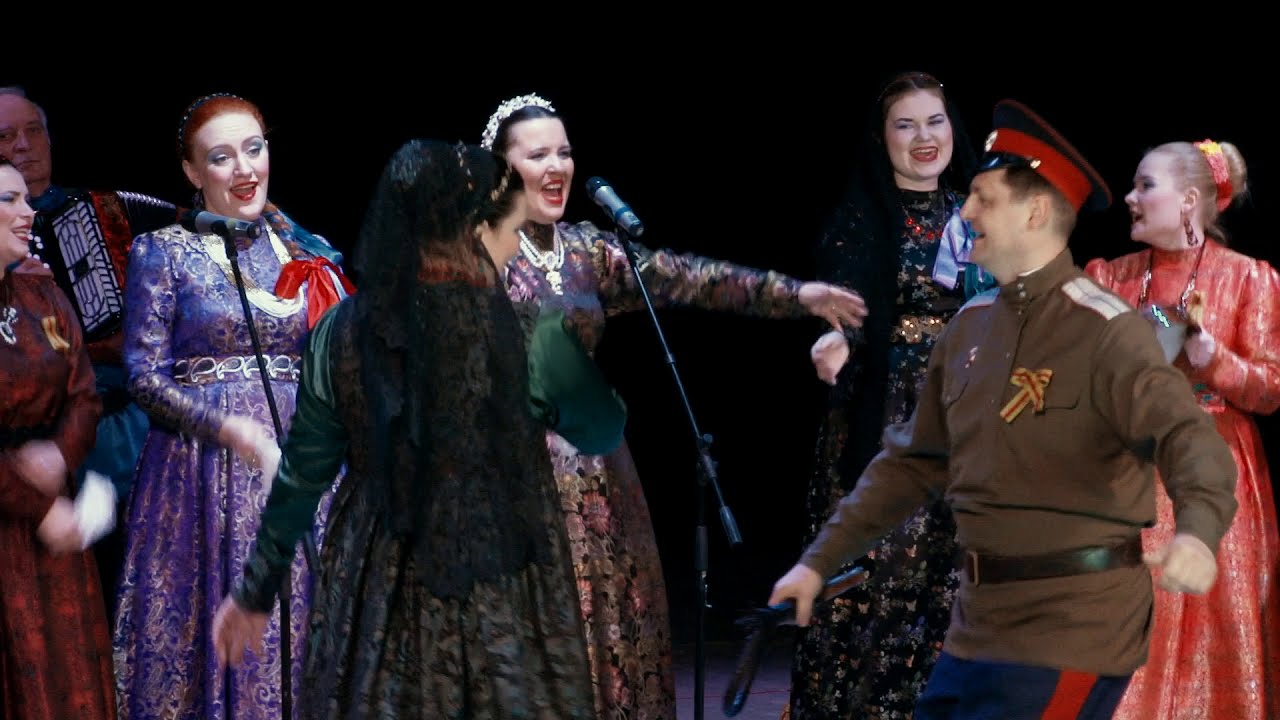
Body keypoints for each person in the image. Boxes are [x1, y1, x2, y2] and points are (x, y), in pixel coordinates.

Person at [768, 99, 1240, 720]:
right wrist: (818, 561)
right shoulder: (968, 327)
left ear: (1035, 212)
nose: (964, 212)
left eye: (983, 199)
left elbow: (1190, 440)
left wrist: (1197, 534)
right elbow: (909, 464)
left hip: (1072, 627)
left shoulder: (1106, 330)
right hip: (975, 632)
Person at [481, 92, 869, 718]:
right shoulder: (476, 253)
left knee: (612, 634)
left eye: (564, 152)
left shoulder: (585, 251)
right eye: (537, 155)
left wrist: (796, 295)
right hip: (512, 476)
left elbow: (687, 277)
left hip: (599, 478)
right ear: (502, 169)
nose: (557, 167)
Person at [211, 138, 598, 718]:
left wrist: (255, 589)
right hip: (490, 570)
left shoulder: (340, 331)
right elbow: (594, 424)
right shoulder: (522, 326)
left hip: (378, 569)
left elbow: (304, 472)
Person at [112, 93, 353, 720]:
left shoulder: (304, 251)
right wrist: (228, 428)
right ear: (192, 172)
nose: (245, 169)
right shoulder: (163, 251)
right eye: (221, 157)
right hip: (202, 477)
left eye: (254, 148)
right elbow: (142, 377)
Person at [789, 70, 993, 720]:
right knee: (881, 588)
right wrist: (836, 342)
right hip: (891, 421)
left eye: (934, 121)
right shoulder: (861, 219)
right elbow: (846, 305)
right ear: (883, 139)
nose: (923, 137)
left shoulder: (979, 211)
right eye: (905, 124)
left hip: (969, 421)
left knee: (956, 589)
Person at [1084, 139, 1279, 719]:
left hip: (1214, 473)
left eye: (1146, 185)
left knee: (1208, 644)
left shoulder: (1248, 279)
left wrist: (1214, 359)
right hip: (1126, 474)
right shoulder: (1108, 277)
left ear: (1189, 200)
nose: (1130, 197)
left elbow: (1270, 389)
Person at [0, 86, 180, 610]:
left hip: (132, 412)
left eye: (33, 131)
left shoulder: (106, 208)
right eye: (5, 137)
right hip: (57, 431)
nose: (23, 146)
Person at [0, 157, 115, 718]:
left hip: (54, 529)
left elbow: (84, 393)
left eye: (26, 198)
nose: (27, 212)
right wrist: (38, 504)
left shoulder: (40, 294)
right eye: (9, 200)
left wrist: (61, 452)